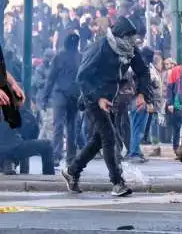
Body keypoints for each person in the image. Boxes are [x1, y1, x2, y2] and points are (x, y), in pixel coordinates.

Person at [62, 17, 153, 196]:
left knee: (99, 140)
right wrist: (98, 99)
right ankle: (117, 183)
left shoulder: (130, 50)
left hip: (111, 100)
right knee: (109, 137)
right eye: (129, 38)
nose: (133, 42)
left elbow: (143, 71)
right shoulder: (100, 48)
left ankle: (72, 171)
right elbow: (82, 77)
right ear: (120, 36)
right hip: (93, 98)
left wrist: (142, 94)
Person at [41, 32, 81, 165]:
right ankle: (71, 157)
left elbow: (51, 78)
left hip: (60, 95)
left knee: (58, 125)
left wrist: (45, 97)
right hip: (75, 95)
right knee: (72, 127)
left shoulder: (59, 56)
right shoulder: (80, 57)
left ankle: (56, 155)